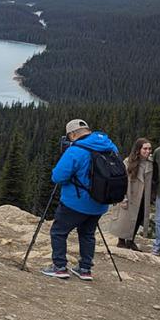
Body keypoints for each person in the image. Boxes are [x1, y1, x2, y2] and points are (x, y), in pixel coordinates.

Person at [42, 119, 118, 281]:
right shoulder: (110, 146)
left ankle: (59, 266)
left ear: (73, 134)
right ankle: (85, 269)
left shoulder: (76, 150)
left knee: (58, 232)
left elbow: (58, 176)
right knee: (87, 234)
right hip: (100, 202)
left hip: (76, 202)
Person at [111, 138, 153, 251]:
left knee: (138, 218)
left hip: (143, 194)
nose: (147, 151)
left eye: (149, 148)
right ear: (138, 149)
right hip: (130, 194)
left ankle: (131, 240)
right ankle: (121, 240)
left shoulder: (151, 163)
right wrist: (122, 196)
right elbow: (122, 180)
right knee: (125, 218)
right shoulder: (128, 162)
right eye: (145, 148)